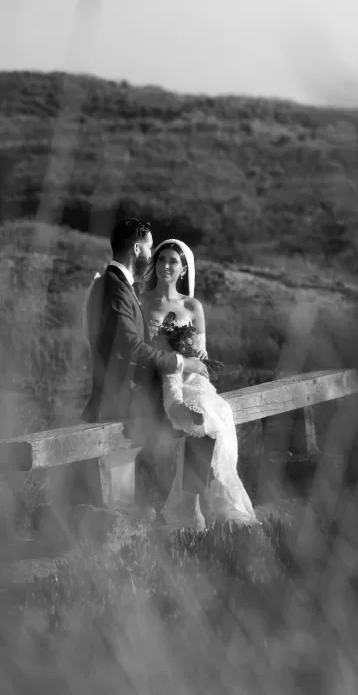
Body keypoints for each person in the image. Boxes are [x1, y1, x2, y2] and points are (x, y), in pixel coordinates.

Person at [81, 219, 210, 522]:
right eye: (152, 249)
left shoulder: (119, 285)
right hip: (126, 395)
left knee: (205, 420)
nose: (154, 257)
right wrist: (180, 362)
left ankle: (182, 506)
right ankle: (172, 510)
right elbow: (131, 348)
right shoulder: (115, 288)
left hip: (138, 388)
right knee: (198, 427)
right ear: (137, 248)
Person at [140, 238, 258, 528]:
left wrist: (196, 352)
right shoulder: (142, 302)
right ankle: (196, 507)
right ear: (154, 264)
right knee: (203, 416)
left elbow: (202, 361)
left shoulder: (193, 306)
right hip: (160, 379)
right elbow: (140, 352)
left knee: (217, 414)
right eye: (162, 259)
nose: (166, 265)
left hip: (193, 378)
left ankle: (207, 504)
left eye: (173, 261)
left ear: (183, 270)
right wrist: (169, 353)